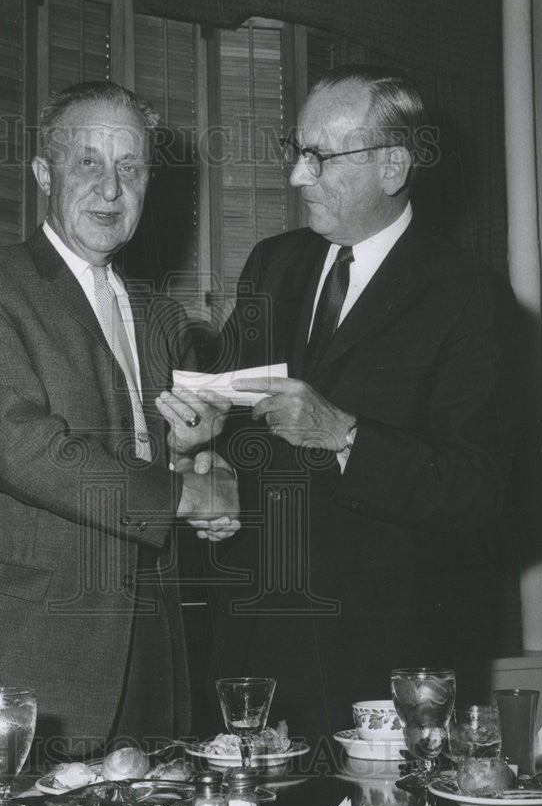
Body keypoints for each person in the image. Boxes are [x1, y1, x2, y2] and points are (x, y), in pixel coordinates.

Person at [163, 66, 522, 738]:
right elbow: (241, 418)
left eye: (320, 158)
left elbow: (478, 490)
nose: (297, 177)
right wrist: (208, 451)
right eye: (294, 151)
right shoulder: (272, 263)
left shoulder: (466, 295)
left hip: (380, 647)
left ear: (391, 166)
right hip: (251, 631)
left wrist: (343, 435)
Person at [0, 81, 238, 759]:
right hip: (19, 659)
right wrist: (182, 495)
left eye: (131, 168)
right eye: (87, 163)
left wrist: (194, 459)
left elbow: (149, 463)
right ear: (43, 173)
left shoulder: (161, 319)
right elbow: (19, 447)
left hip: (149, 659)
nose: (111, 189)